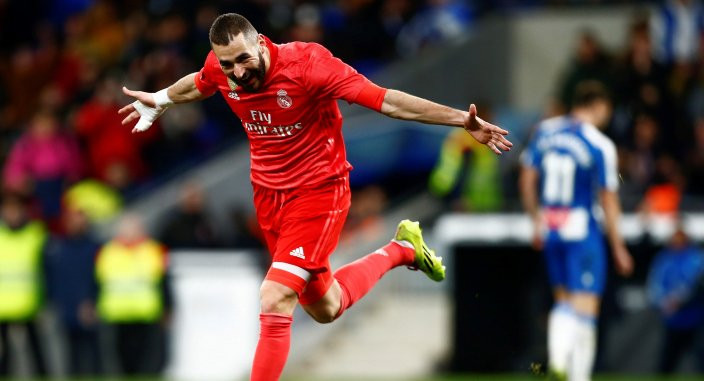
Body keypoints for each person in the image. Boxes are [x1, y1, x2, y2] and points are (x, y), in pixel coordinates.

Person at [118, 13, 511, 381]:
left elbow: (386, 100)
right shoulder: (222, 69)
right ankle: (402, 250)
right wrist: (163, 98)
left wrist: (460, 119)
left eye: (243, 60)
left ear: (261, 44)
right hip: (270, 198)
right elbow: (199, 82)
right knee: (325, 307)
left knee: (274, 297)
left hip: (319, 192)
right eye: (228, 65)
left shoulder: (308, 65)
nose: (237, 72)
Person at [519, 81, 634, 381]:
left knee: (564, 301)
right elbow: (608, 199)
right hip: (582, 230)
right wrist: (619, 246)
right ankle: (567, 368)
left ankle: (560, 363)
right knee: (585, 307)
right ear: (597, 105)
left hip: (551, 227)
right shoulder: (600, 143)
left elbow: (527, 180)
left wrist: (535, 220)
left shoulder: (545, 130)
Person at [95, 213, 171, 376]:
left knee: (148, 361)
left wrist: (168, 306)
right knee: (122, 360)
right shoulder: (108, 251)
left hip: (146, 313)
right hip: (117, 314)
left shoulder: (153, 250)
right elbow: (97, 281)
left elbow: (164, 281)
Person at [0, 195, 48, 377]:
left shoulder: (35, 234)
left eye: (16, 209)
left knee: (36, 350)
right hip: (0, 303)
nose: (12, 214)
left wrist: (45, 299)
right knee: (2, 355)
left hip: (30, 302)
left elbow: (45, 269)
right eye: (8, 209)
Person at [46, 206, 102, 376]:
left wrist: (92, 300)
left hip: (89, 307)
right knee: (70, 355)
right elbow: (51, 277)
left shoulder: (95, 248)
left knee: (93, 354)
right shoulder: (57, 248)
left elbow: (100, 278)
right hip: (65, 307)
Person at [647, 223, 704, 374]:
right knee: (665, 366)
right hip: (672, 320)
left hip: (696, 319)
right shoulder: (664, 259)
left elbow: (697, 286)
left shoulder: (697, 258)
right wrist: (663, 302)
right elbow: (655, 286)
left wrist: (681, 300)